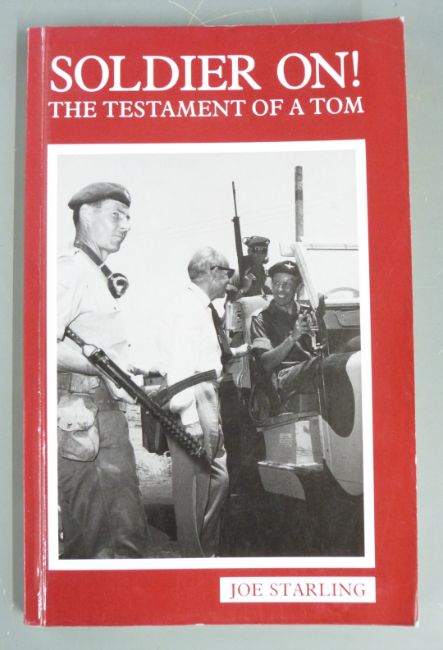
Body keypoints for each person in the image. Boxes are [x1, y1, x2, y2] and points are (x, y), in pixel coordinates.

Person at [57, 181, 149, 559]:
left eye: (127, 217)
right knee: (108, 539)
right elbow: (34, 343)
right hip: (85, 417)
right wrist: (106, 369)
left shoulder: (95, 272)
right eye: (116, 215)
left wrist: (122, 367)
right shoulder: (71, 269)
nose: (125, 225)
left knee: (114, 534)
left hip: (101, 414)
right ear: (85, 214)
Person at [165, 247, 234, 557]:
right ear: (213, 272)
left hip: (207, 394)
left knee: (217, 480)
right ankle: (195, 560)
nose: (229, 281)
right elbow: (180, 365)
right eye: (228, 274)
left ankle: (208, 553)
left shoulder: (201, 307)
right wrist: (189, 418)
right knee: (195, 489)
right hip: (194, 399)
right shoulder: (187, 308)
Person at [250, 260, 356, 416]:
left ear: (297, 287)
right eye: (276, 283)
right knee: (328, 366)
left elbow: (322, 346)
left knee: (354, 350)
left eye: (288, 284)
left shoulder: (307, 312)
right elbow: (265, 363)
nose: (280, 289)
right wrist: (293, 337)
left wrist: (321, 319)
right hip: (284, 376)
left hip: (311, 367)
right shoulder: (261, 319)